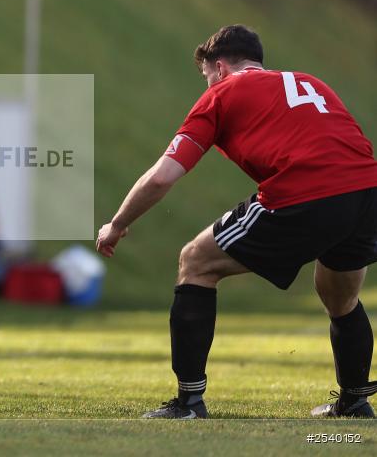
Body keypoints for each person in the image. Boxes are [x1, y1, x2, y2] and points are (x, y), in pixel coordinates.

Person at [96, 25, 377, 419]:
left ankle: (188, 402)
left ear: (221, 67)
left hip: (307, 191)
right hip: (366, 192)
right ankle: (355, 401)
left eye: (207, 76)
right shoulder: (309, 82)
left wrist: (118, 223)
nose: (207, 85)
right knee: (340, 295)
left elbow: (162, 176)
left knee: (196, 261)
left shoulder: (223, 93)